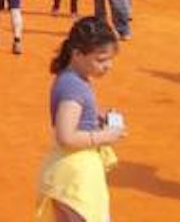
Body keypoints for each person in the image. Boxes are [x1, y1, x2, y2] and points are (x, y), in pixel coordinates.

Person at [36, 18, 125, 222]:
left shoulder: (74, 79)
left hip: (69, 171)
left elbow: (74, 119)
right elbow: (66, 136)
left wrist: (95, 118)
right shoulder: (74, 86)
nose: (107, 66)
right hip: (76, 173)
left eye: (110, 60)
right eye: (100, 60)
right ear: (77, 54)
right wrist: (104, 136)